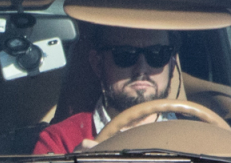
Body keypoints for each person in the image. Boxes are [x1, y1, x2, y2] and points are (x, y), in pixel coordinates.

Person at [33, 26, 179, 155]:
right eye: (125, 54)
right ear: (98, 63)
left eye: (157, 54)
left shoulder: (199, 131)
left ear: (172, 66)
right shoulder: (60, 141)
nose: (141, 70)